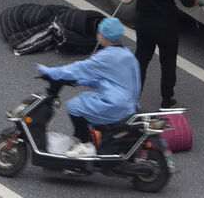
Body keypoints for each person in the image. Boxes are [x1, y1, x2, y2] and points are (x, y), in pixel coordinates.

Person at [36, 17, 140, 157]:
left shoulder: (107, 56)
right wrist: (81, 82)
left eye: (99, 32)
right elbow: (107, 79)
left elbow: (79, 68)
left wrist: (51, 72)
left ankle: (86, 144)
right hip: (130, 104)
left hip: (116, 106)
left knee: (74, 106)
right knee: (87, 100)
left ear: (104, 35)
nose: (98, 35)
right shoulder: (127, 54)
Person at [130, 0, 204, 110]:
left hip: (145, 23)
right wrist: (197, 1)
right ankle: (167, 100)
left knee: (141, 60)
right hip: (166, 27)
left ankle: (133, 98)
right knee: (168, 63)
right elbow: (186, 1)